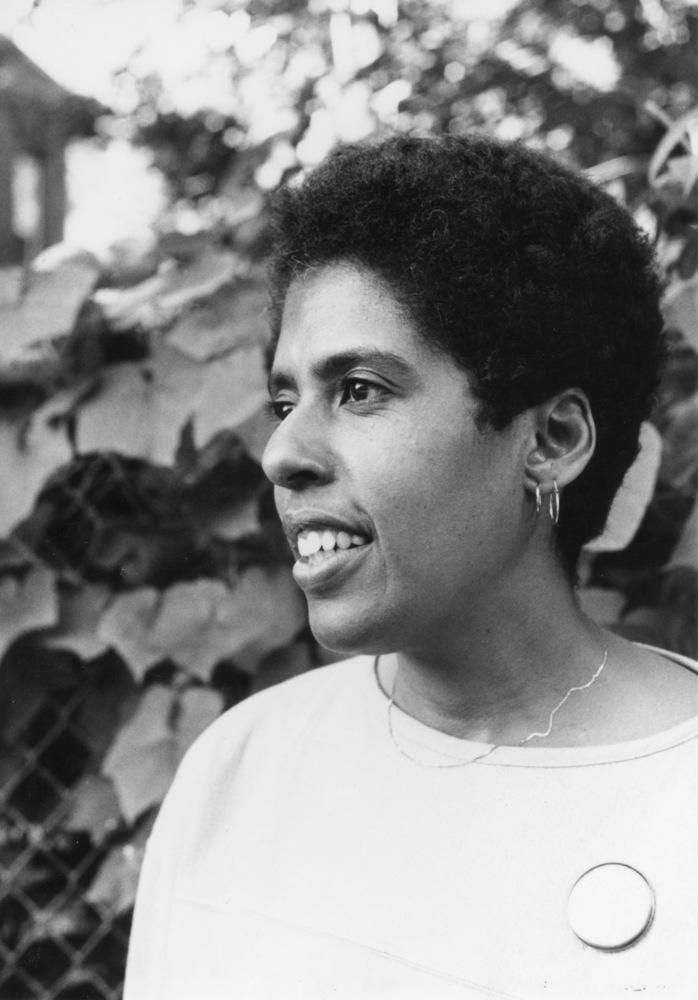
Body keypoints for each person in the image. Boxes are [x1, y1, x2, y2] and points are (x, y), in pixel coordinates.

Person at [124, 135, 698, 999]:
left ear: (552, 440)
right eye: (286, 400)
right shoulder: (240, 770)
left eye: (359, 390)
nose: (283, 450)